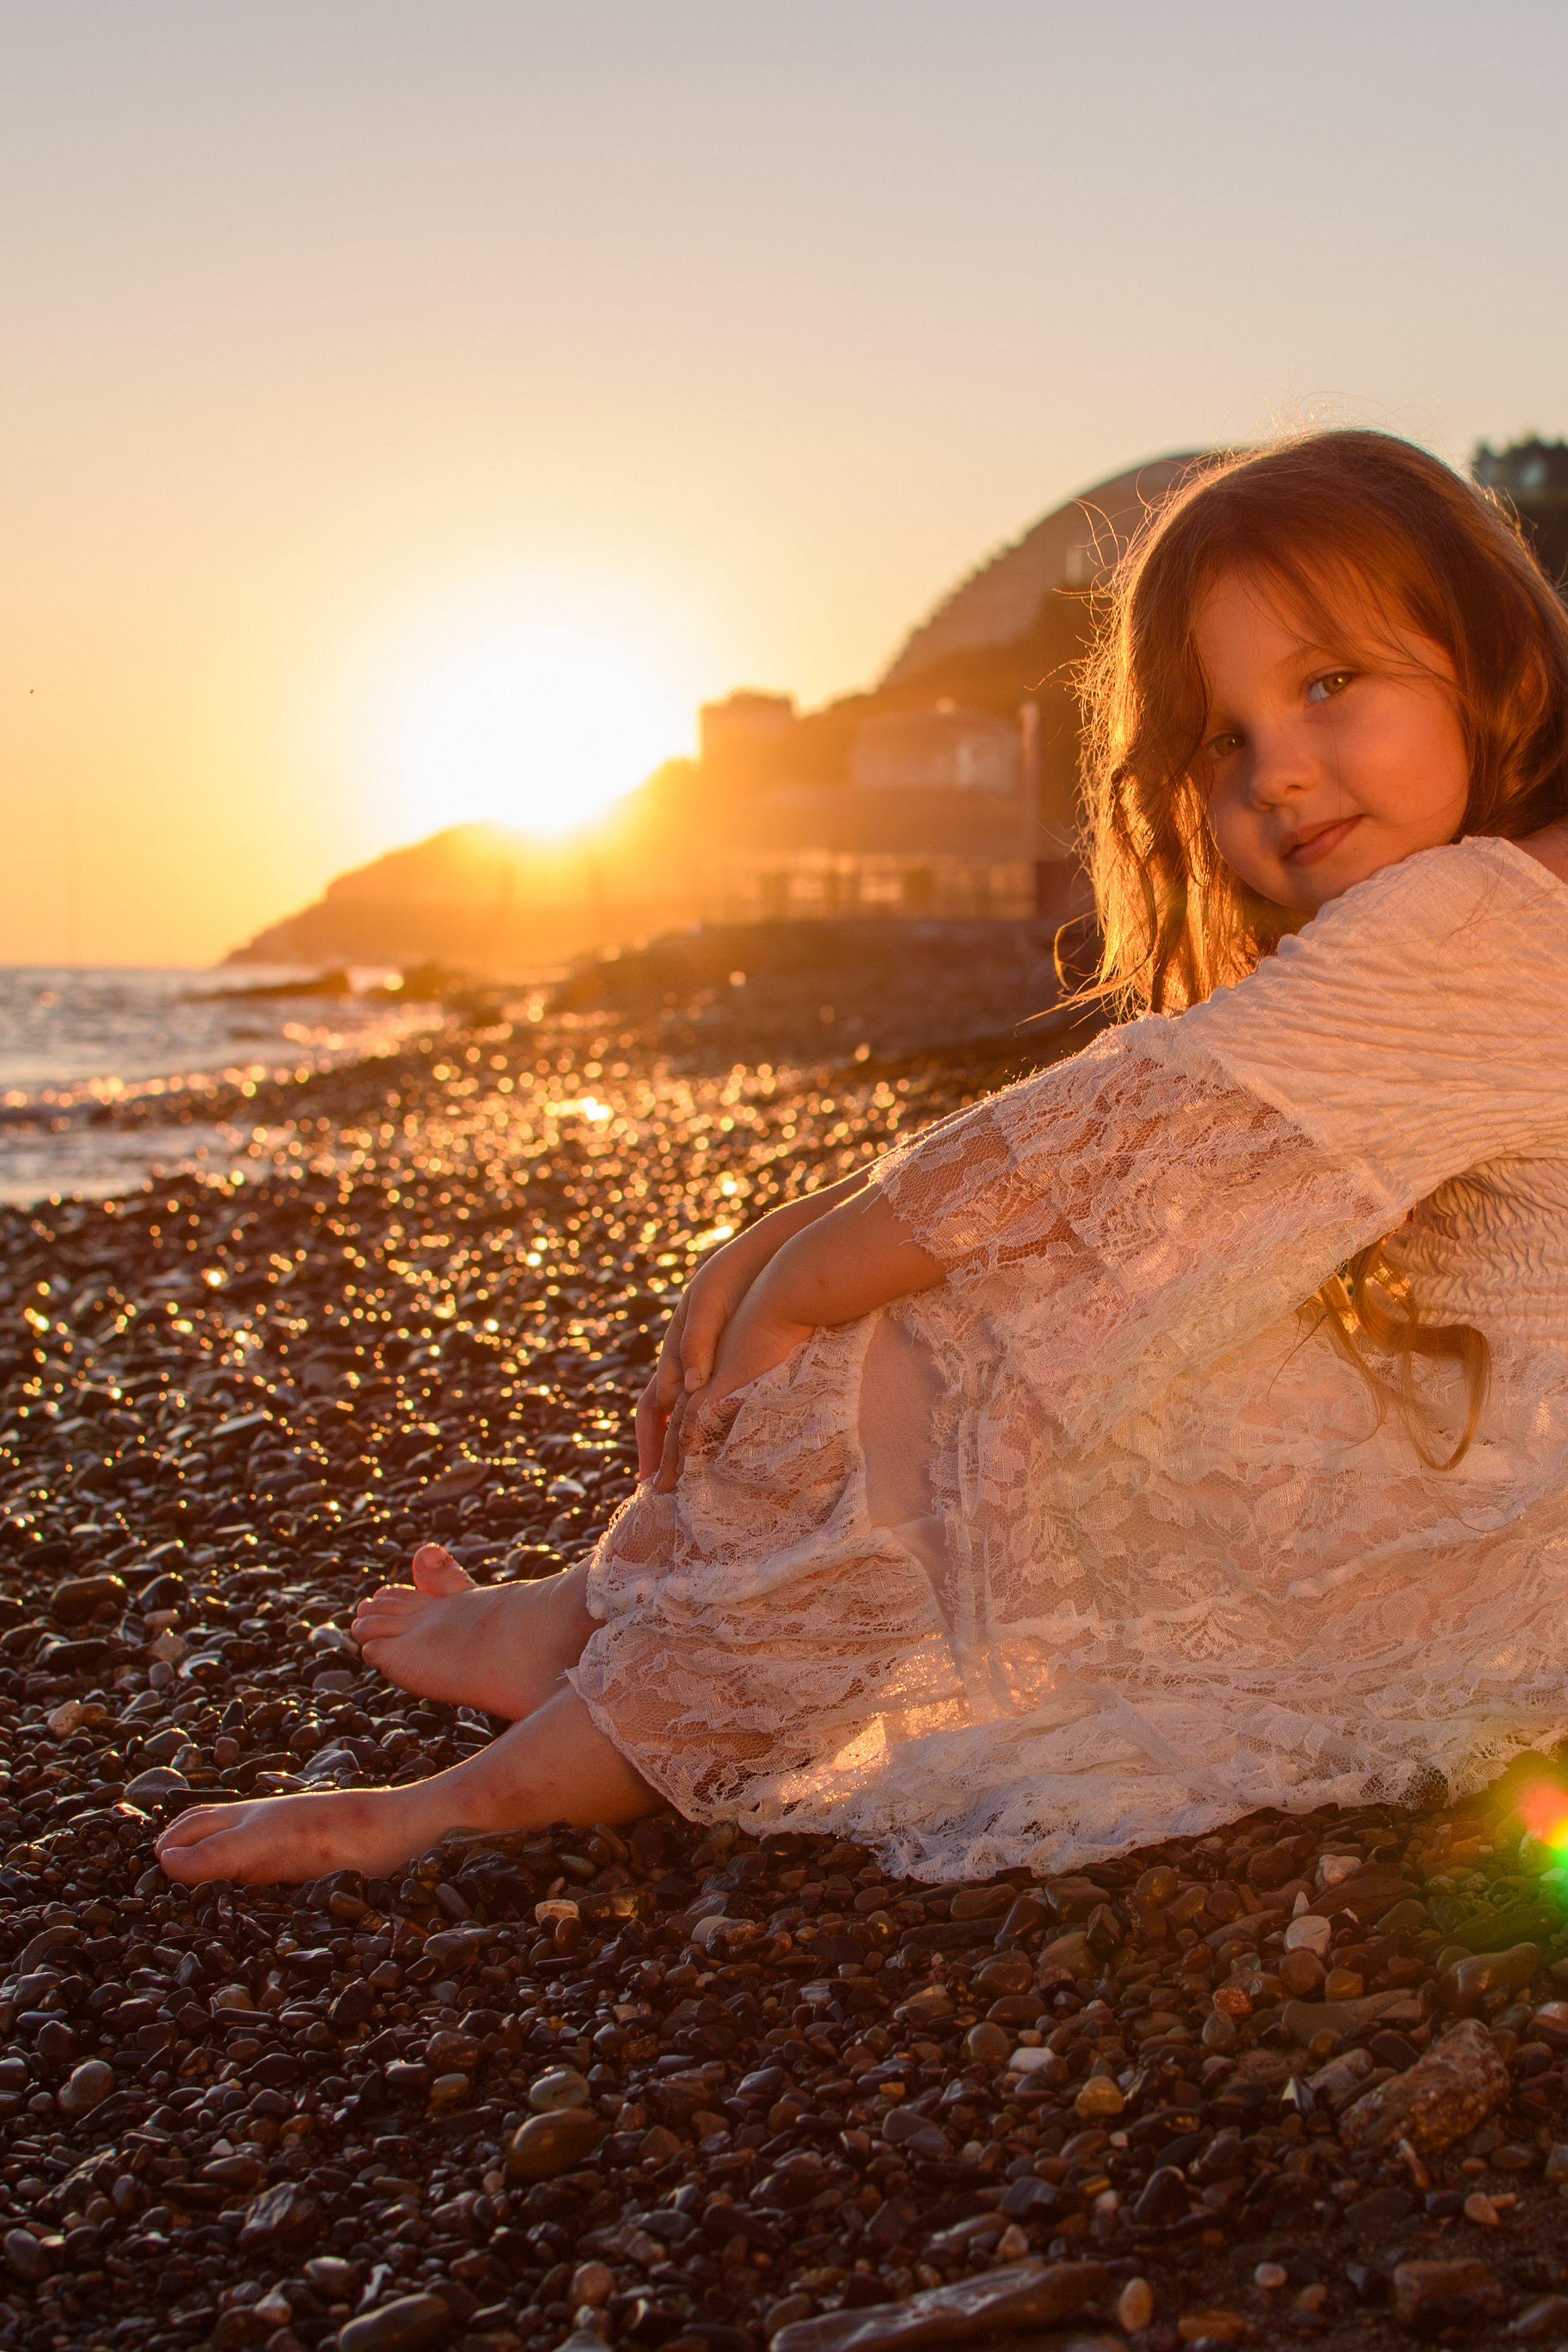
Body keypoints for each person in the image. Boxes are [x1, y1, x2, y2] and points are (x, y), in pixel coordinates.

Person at [156, 429, 1568, 1890]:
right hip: (1503, 1459)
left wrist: (797, 1287)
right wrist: (797, 1222)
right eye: (1223, 738)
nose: (1275, 770)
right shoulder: (1510, 887)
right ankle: (602, 1625)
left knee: (946, 1332)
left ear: (1492, 666)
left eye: (1328, 683)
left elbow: (1091, 1148)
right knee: (1030, 1272)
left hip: (1512, 1527)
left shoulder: (1468, 915)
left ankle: (512, 1782)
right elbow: (1128, 1106)